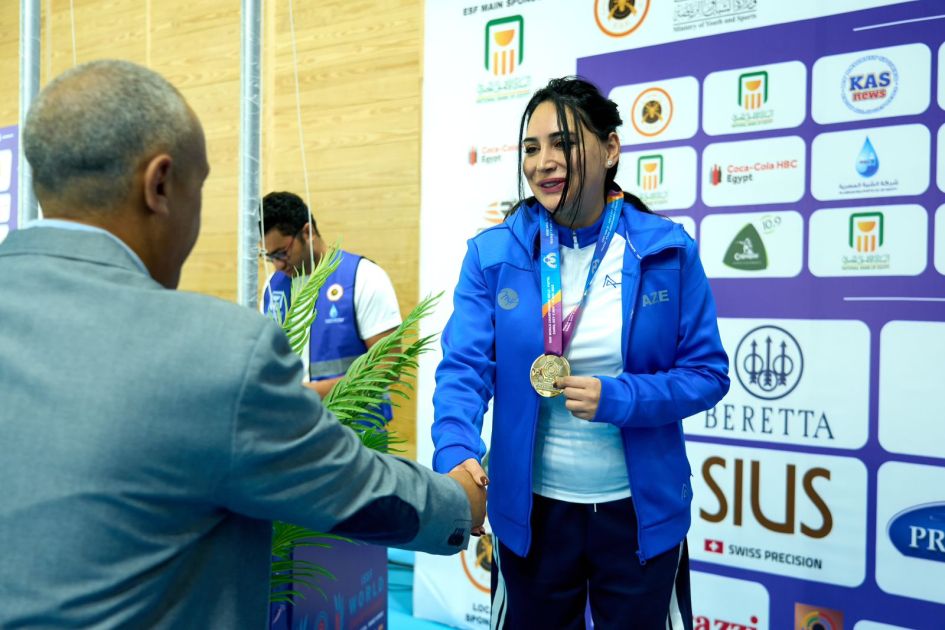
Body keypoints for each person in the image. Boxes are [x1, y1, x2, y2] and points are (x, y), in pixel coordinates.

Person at [0, 59, 484, 628]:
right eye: (200, 186)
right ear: (160, 185)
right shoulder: (218, 350)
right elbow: (351, 490)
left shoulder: (360, 277)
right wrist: (459, 501)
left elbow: (388, 360)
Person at [430, 77, 730, 629]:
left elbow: (707, 373)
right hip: (531, 515)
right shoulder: (493, 255)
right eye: (531, 147)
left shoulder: (665, 250)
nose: (543, 162)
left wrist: (621, 398)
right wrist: (455, 449)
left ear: (610, 149)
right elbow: (464, 368)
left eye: (563, 143)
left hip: (639, 515)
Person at [261, 192, 400, 420]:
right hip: (292, 428)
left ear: (307, 232)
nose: (278, 265)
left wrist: (306, 394)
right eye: (270, 257)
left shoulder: (363, 277)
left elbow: (389, 368)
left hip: (355, 428)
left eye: (282, 253)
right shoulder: (272, 287)